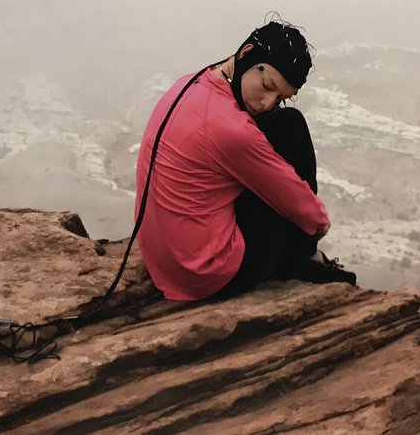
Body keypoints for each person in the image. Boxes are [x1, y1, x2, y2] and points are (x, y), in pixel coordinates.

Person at [133, 18, 356, 301]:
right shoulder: (232, 130)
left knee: (280, 122)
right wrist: (317, 225)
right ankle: (304, 256)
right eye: (266, 85)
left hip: (163, 262)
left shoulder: (188, 83)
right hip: (208, 274)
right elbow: (294, 200)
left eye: (280, 98)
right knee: (291, 125)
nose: (266, 102)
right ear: (247, 53)